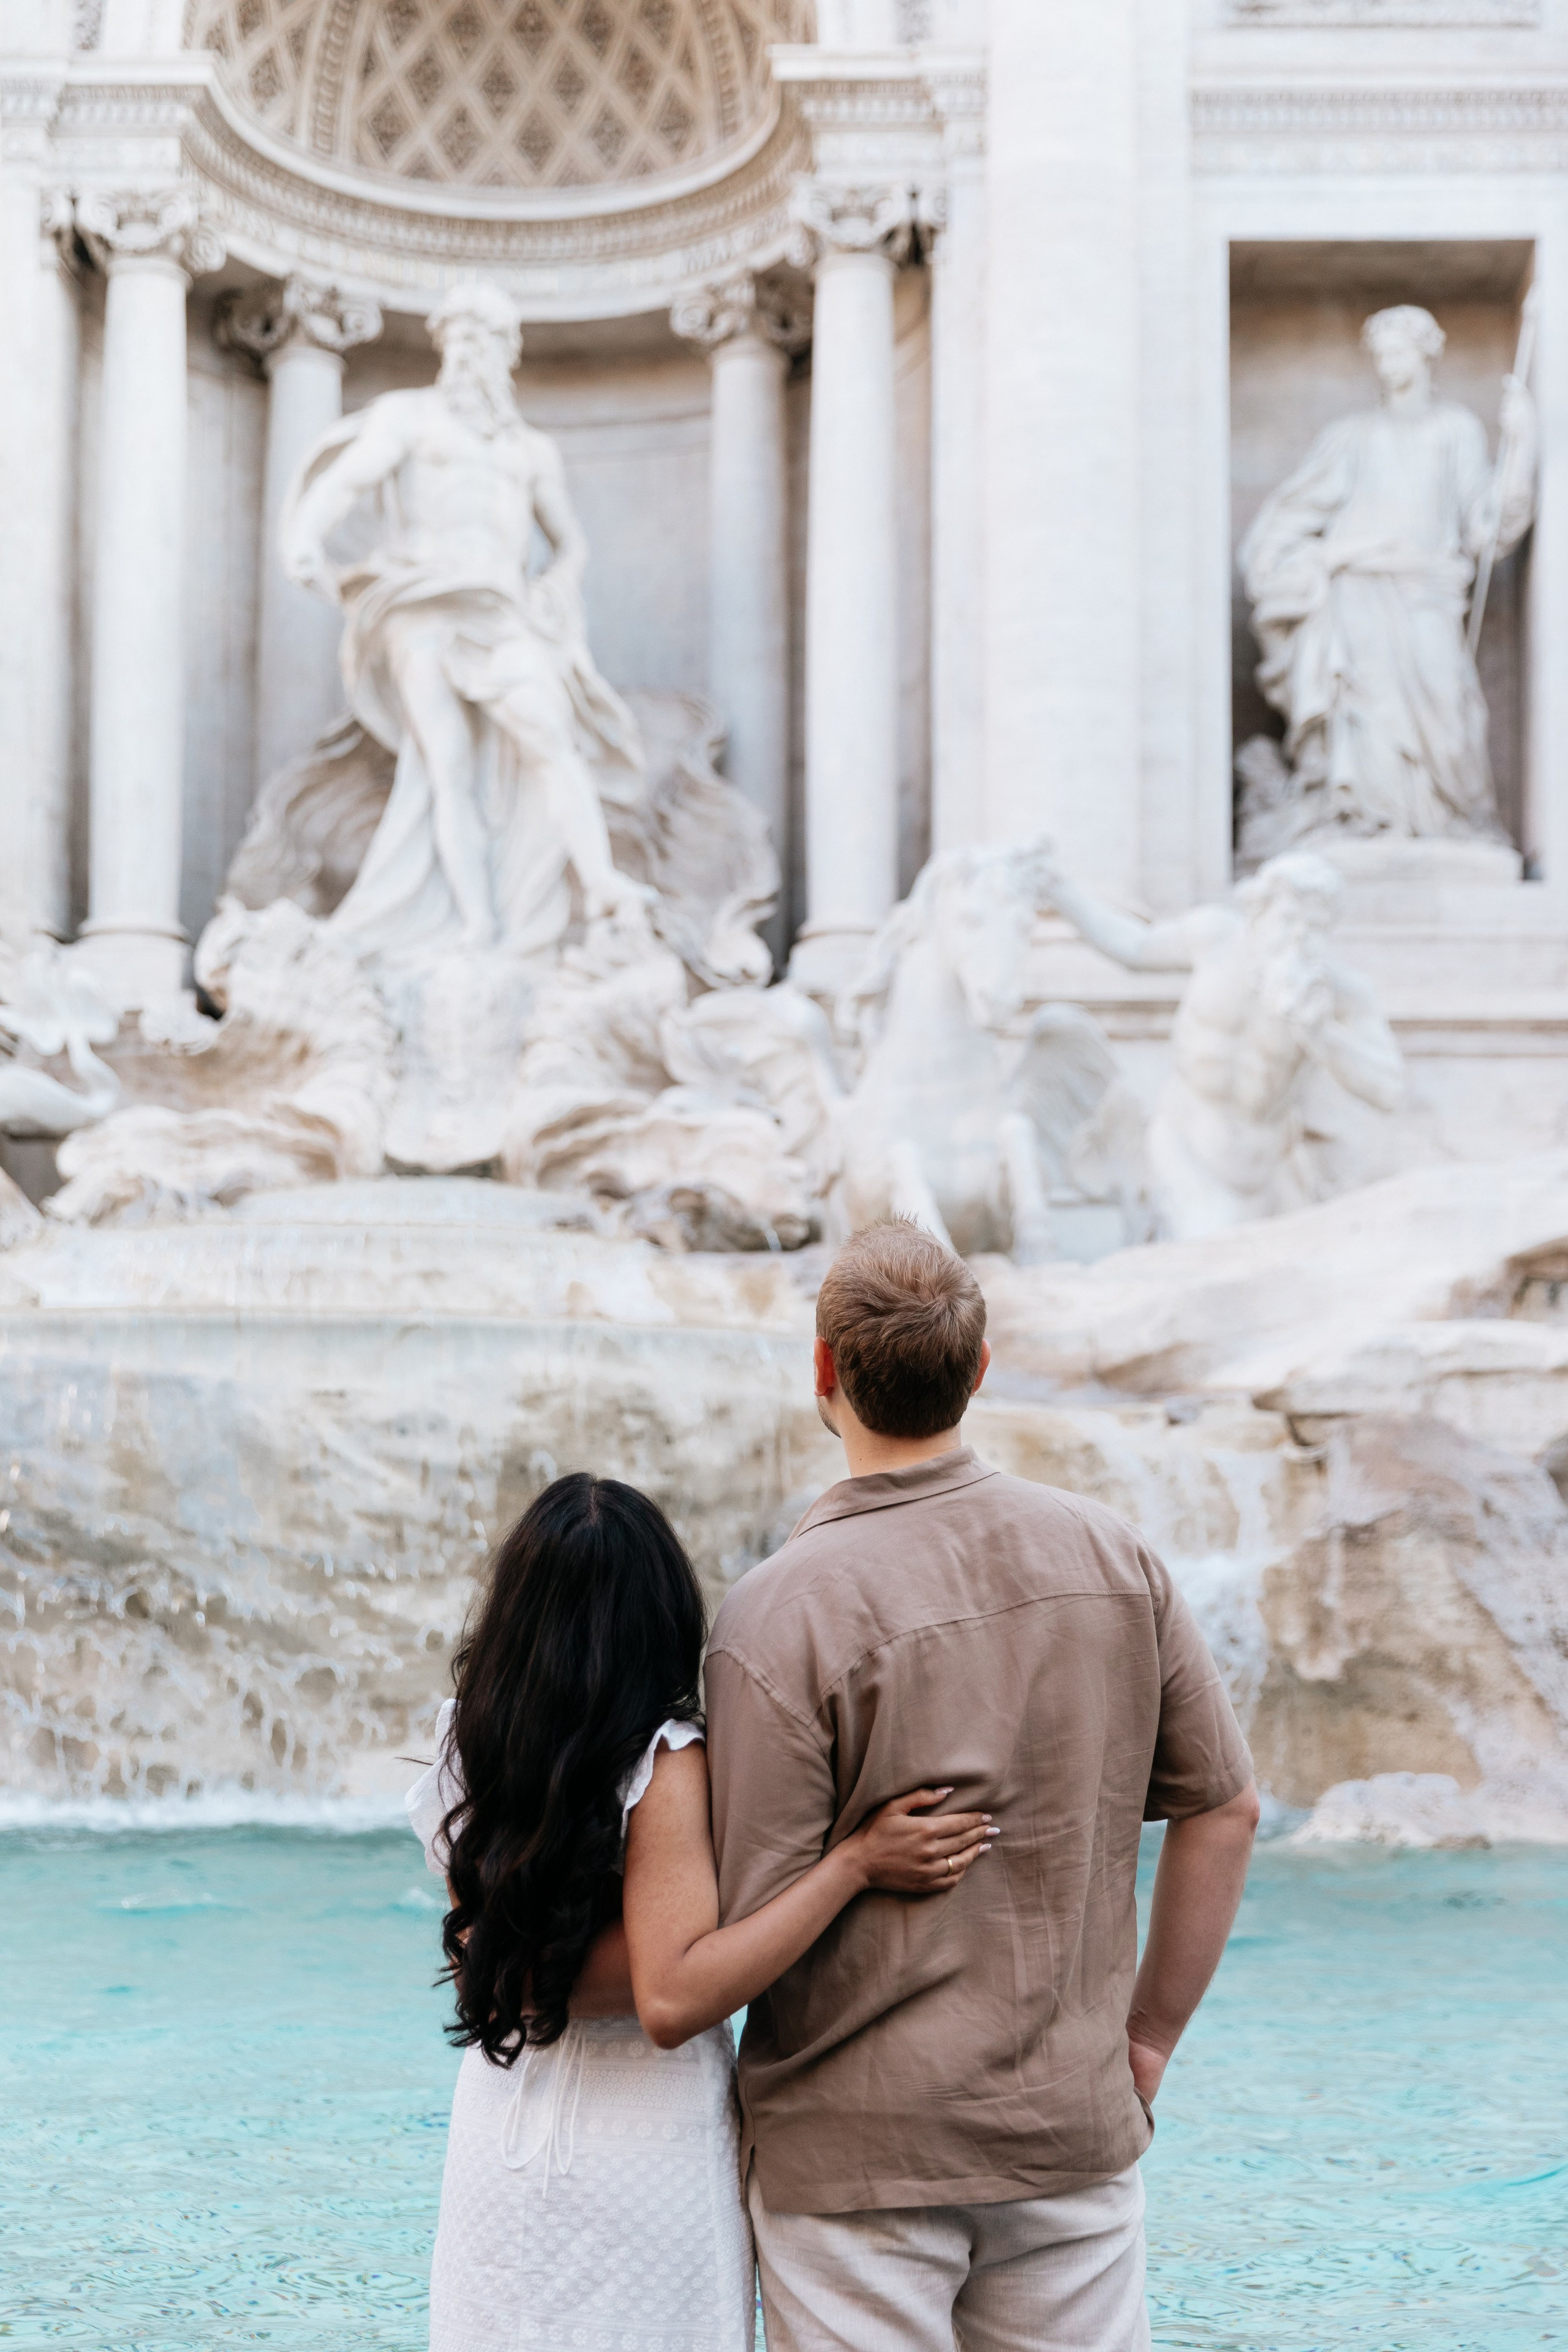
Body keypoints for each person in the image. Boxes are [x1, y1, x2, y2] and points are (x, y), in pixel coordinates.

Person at [705, 1219, 1261, 2352]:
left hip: (854, 2156)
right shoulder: (1117, 1559)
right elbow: (1225, 1809)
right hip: (1069, 2127)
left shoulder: (776, 1612)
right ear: (981, 1367)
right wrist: (1146, 2042)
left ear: (823, 1371)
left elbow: (745, 1923)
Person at [405, 1469, 993, 2352]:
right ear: (662, 1620)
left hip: (502, 2130)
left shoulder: (469, 1740)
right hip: (648, 2141)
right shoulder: (667, 1760)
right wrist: (852, 1866)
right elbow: (672, 1999)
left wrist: (555, 1972)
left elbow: (488, 1967)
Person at [282, 281, 649, 961]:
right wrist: (306, 536)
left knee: (550, 736)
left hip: (499, 609)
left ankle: (598, 881)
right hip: (421, 604)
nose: (468, 352)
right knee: (443, 766)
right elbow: (347, 481)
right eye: (459, 338)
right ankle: (477, 923)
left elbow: (569, 541)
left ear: (508, 351)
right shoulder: (408, 418)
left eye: (484, 338)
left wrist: (556, 583)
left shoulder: (531, 450)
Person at [1238, 302, 1536, 849]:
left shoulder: (1456, 431)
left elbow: (1487, 525)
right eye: (1380, 354)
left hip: (1427, 590)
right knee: (1363, 714)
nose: (1388, 364)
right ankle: (1364, 819)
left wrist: (1521, 448)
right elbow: (1292, 514)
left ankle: (1451, 822)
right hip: (1355, 592)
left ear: (1427, 354)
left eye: (1399, 351)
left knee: (1445, 708)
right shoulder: (1352, 436)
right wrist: (1290, 562)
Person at [1039, 846, 1404, 1238]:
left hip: (1268, 1171)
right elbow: (1134, 946)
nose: (1299, 937)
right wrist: (1061, 893)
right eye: (1290, 920)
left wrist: (1319, 1034)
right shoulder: (1213, 939)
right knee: (1212, 1243)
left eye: (1315, 928)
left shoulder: (1338, 993)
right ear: (1260, 912)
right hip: (1185, 1149)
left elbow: (1388, 1089)